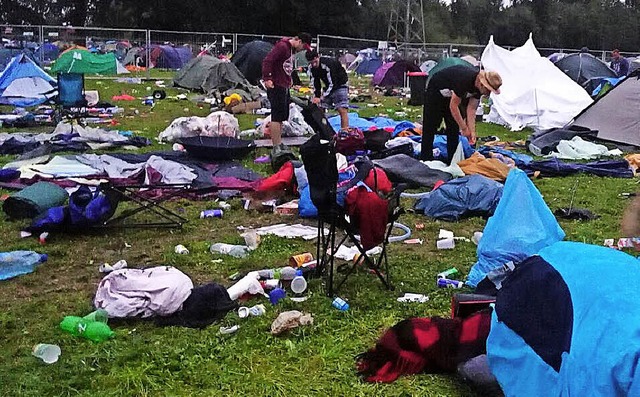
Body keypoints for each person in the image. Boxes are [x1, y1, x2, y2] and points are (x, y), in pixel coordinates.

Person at [420, 66, 502, 164]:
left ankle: (452, 161)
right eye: (488, 90)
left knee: (453, 128)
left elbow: (471, 109)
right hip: (436, 90)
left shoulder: (478, 89)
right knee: (430, 125)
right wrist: (464, 128)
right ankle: (425, 158)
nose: (488, 94)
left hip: (452, 95)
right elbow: (453, 106)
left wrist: (472, 131)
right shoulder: (465, 80)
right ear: (482, 84)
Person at [262, 33, 312, 162]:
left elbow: (286, 67)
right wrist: (267, 78)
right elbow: (268, 61)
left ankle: (279, 143)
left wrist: (290, 80)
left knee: (283, 115)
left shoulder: (290, 51)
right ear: (299, 41)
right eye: (303, 46)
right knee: (276, 116)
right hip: (276, 85)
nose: (302, 50)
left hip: (284, 85)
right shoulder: (282, 46)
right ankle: (276, 145)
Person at [305, 49, 350, 131]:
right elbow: (315, 82)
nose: (314, 64)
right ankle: (323, 130)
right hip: (329, 85)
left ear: (318, 57)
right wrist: (317, 96)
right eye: (311, 63)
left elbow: (333, 83)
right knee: (320, 108)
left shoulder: (328, 64)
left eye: (315, 62)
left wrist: (323, 96)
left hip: (340, 84)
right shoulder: (311, 68)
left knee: (342, 109)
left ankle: (345, 131)